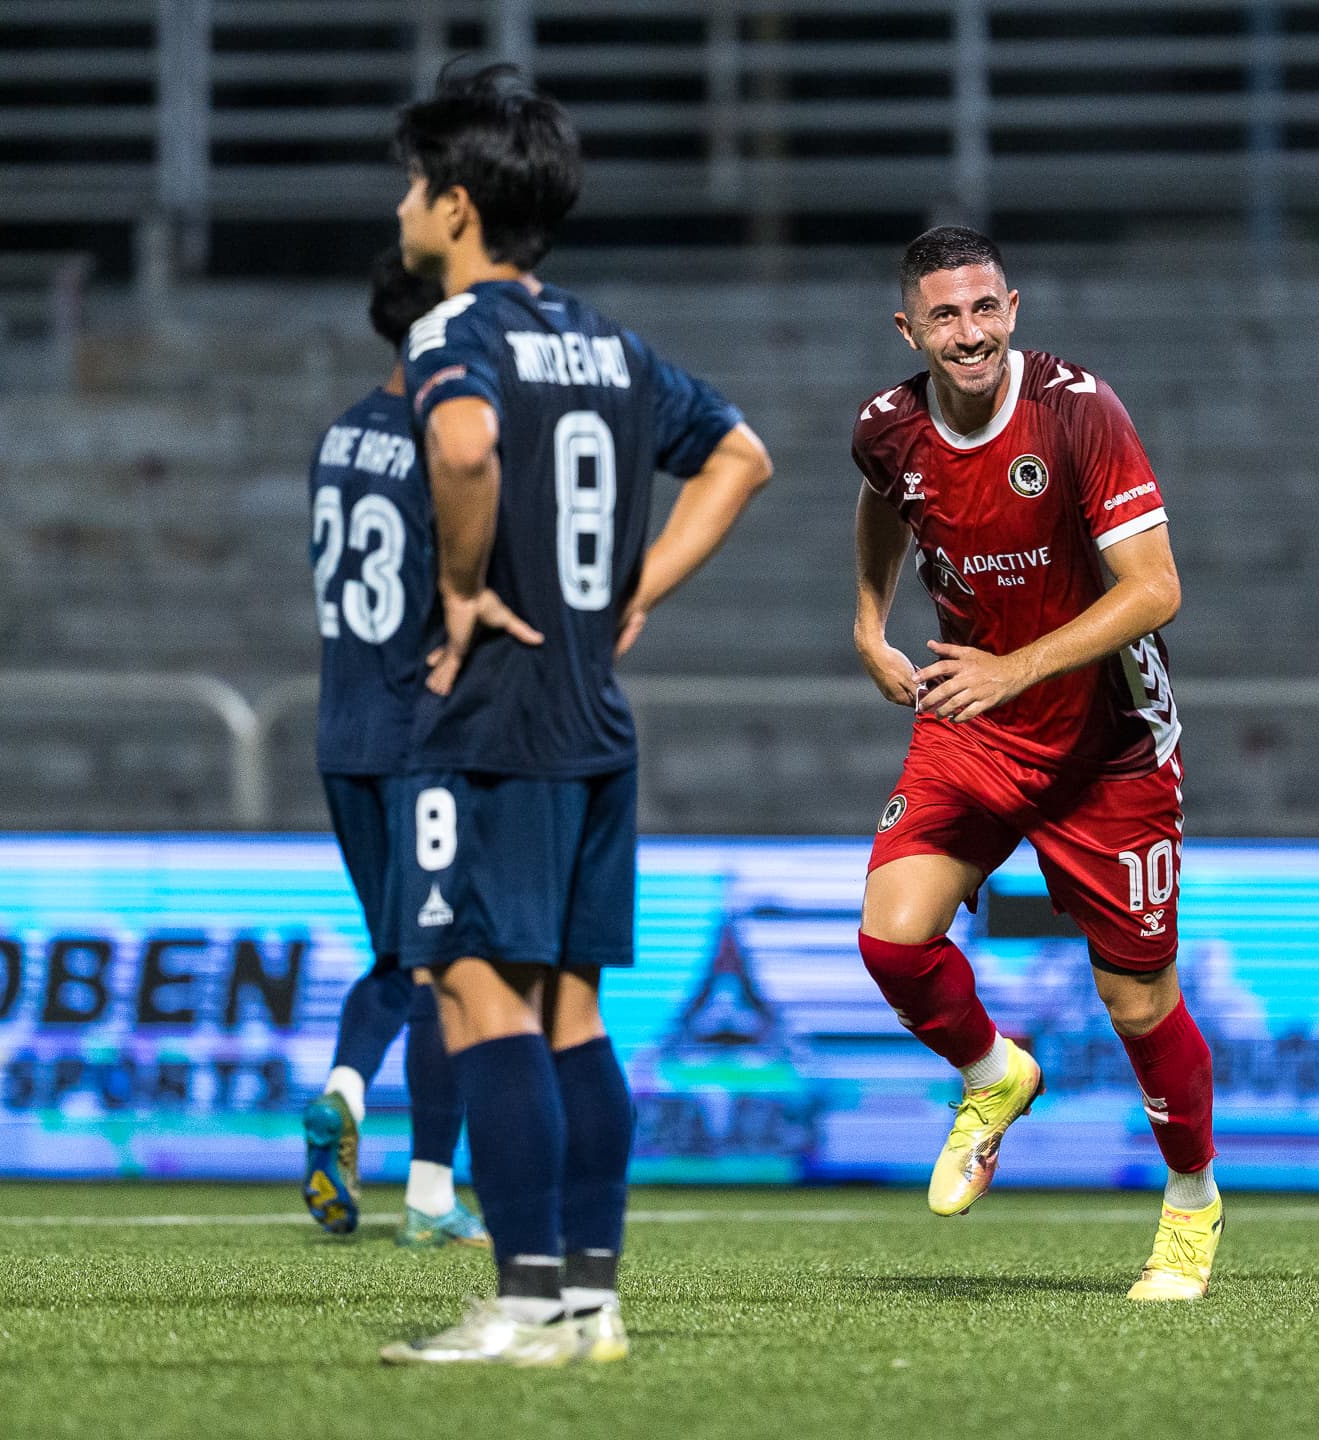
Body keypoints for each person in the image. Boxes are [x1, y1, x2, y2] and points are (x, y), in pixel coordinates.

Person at [379, 62, 773, 1365]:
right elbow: (741, 456)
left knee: (476, 999)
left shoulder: (457, 335)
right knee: (574, 1014)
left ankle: (525, 1302)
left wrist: (455, 588)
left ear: (456, 207)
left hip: (496, 713)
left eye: (413, 185)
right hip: (596, 714)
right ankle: (592, 1303)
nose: (400, 208)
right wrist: (632, 590)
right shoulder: (610, 341)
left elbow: (464, 449)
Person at [849, 226, 1217, 1301]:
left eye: (984, 310)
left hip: (1109, 745)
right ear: (908, 328)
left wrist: (1014, 670)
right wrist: (868, 624)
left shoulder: (1077, 412)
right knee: (890, 939)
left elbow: (1156, 589)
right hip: (975, 723)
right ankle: (992, 1072)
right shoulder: (889, 427)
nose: (968, 334)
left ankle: (1191, 1205)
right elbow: (884, 497)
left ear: (1012, 308)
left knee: (1139, 1004)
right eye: (944, 316)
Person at [302, 245, 488, 1252]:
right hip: (424, 735)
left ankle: (341, 1086)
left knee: (396, 948)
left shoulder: (339, 436)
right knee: (448, 959)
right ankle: (427, 1191)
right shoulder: (444, 441)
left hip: (341, 729)